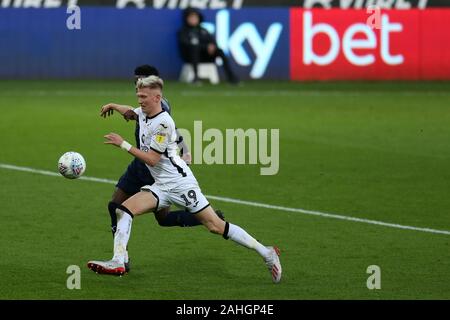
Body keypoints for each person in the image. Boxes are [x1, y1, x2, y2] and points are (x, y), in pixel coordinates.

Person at [87, 76, 282, 283]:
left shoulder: (163, 123)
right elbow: (129, 111)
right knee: (123, 210)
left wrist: (123, 144)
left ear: (157, 97)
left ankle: (267, 252)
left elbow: (152, 160)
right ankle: (118, 260)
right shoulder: (143, 113)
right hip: (161, 185)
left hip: (180, 185)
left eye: (143, 97)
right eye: (138, 96)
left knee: (215, 226)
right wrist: (113, 105)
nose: (139, 100)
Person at [104, 65, 224, 273]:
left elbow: (172, 130)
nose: (137, 84)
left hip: (155, 167)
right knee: (115, 204)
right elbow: (132, 113)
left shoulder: (160, 105)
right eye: (136, 80)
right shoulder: (143, 101)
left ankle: (209, 218)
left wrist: (184, 150)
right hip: (138, 166)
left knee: (164, 219)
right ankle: (121, 256)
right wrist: (113, 105)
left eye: (141, 79)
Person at [177, 7, 239, 84]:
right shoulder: (183, 31)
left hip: (206, 56)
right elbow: (186, 44)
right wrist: (205, 47)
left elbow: (213, 42)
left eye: (195, 17)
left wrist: (212, 47)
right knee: (194, 48)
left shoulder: (204, 30)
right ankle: (196, 77)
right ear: (186, 18)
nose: (194, 19)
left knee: (220, 51)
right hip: (190, 57)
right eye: (191, 17)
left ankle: (231, 77)